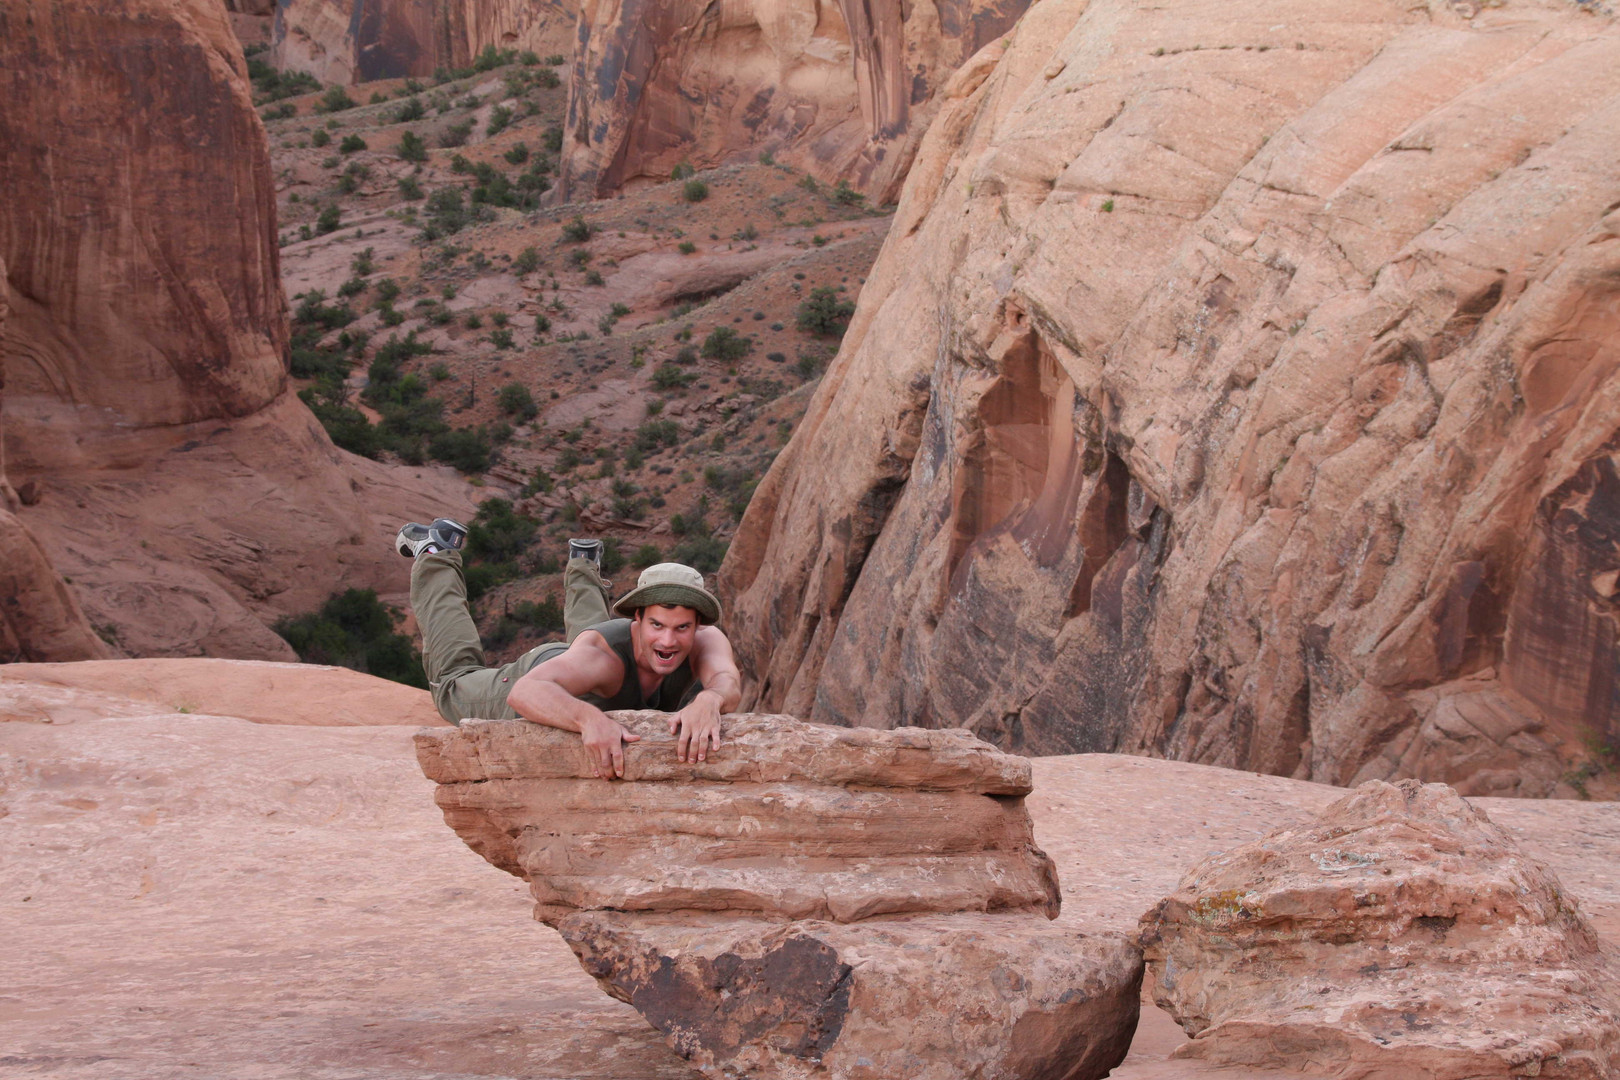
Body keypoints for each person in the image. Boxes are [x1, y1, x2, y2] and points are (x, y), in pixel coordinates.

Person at [397, 517, 742, 779]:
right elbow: (525, 692)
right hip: (546, 671)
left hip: (586, 662)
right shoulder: (601, 658)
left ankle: (583, 563)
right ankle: (435, 553)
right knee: (452, 682)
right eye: (657, 625)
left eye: (682, 628)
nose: (669, 640)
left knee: (596, 658)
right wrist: (586, 718)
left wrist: (709, 700)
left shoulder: (705, 639)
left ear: (698, 626)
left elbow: (726, 679)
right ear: (637, 618)